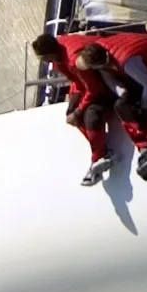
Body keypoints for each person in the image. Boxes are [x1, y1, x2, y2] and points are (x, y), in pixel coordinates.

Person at [34, 32, 122, 185]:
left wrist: (79, 110)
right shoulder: (60, 54)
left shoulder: (74, 60)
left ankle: (99, 155)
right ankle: (101, 151)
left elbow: (94, 88)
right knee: (72, 115)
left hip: (107, 85)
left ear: (49, 55)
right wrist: (73, 107)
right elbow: (77, 83)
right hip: (88, 85)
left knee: (91, 115)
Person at [95, 24, 147, 177]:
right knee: (122, 106)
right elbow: (113, 83)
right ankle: (143, 148)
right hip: (136, 77)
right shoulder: (98, 58)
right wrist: (124, 95)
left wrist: (143, 105)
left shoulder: (127, 61)